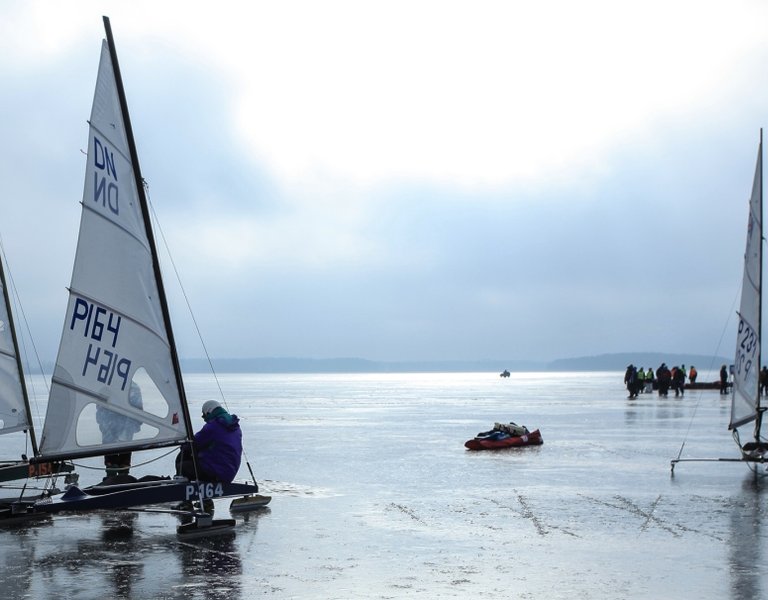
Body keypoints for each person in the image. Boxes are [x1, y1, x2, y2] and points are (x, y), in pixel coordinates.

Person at [175, 400, 243, 483]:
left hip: (216, 472)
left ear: (209, 412)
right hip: (229, 474)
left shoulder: (213, 426)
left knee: (182, 464)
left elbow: (193, 444)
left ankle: (182, 485)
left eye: (204, 415)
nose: (204, 419)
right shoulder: (235, 427)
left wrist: (183, 445)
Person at [96, 381, 143, 479]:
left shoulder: (106, 386)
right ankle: (119, 472)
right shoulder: (133, 387)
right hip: (117, 428)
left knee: (118, 461)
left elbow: (99, 410)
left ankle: (116, 472)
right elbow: (139, 411)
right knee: (120, 461)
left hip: (117, 428)